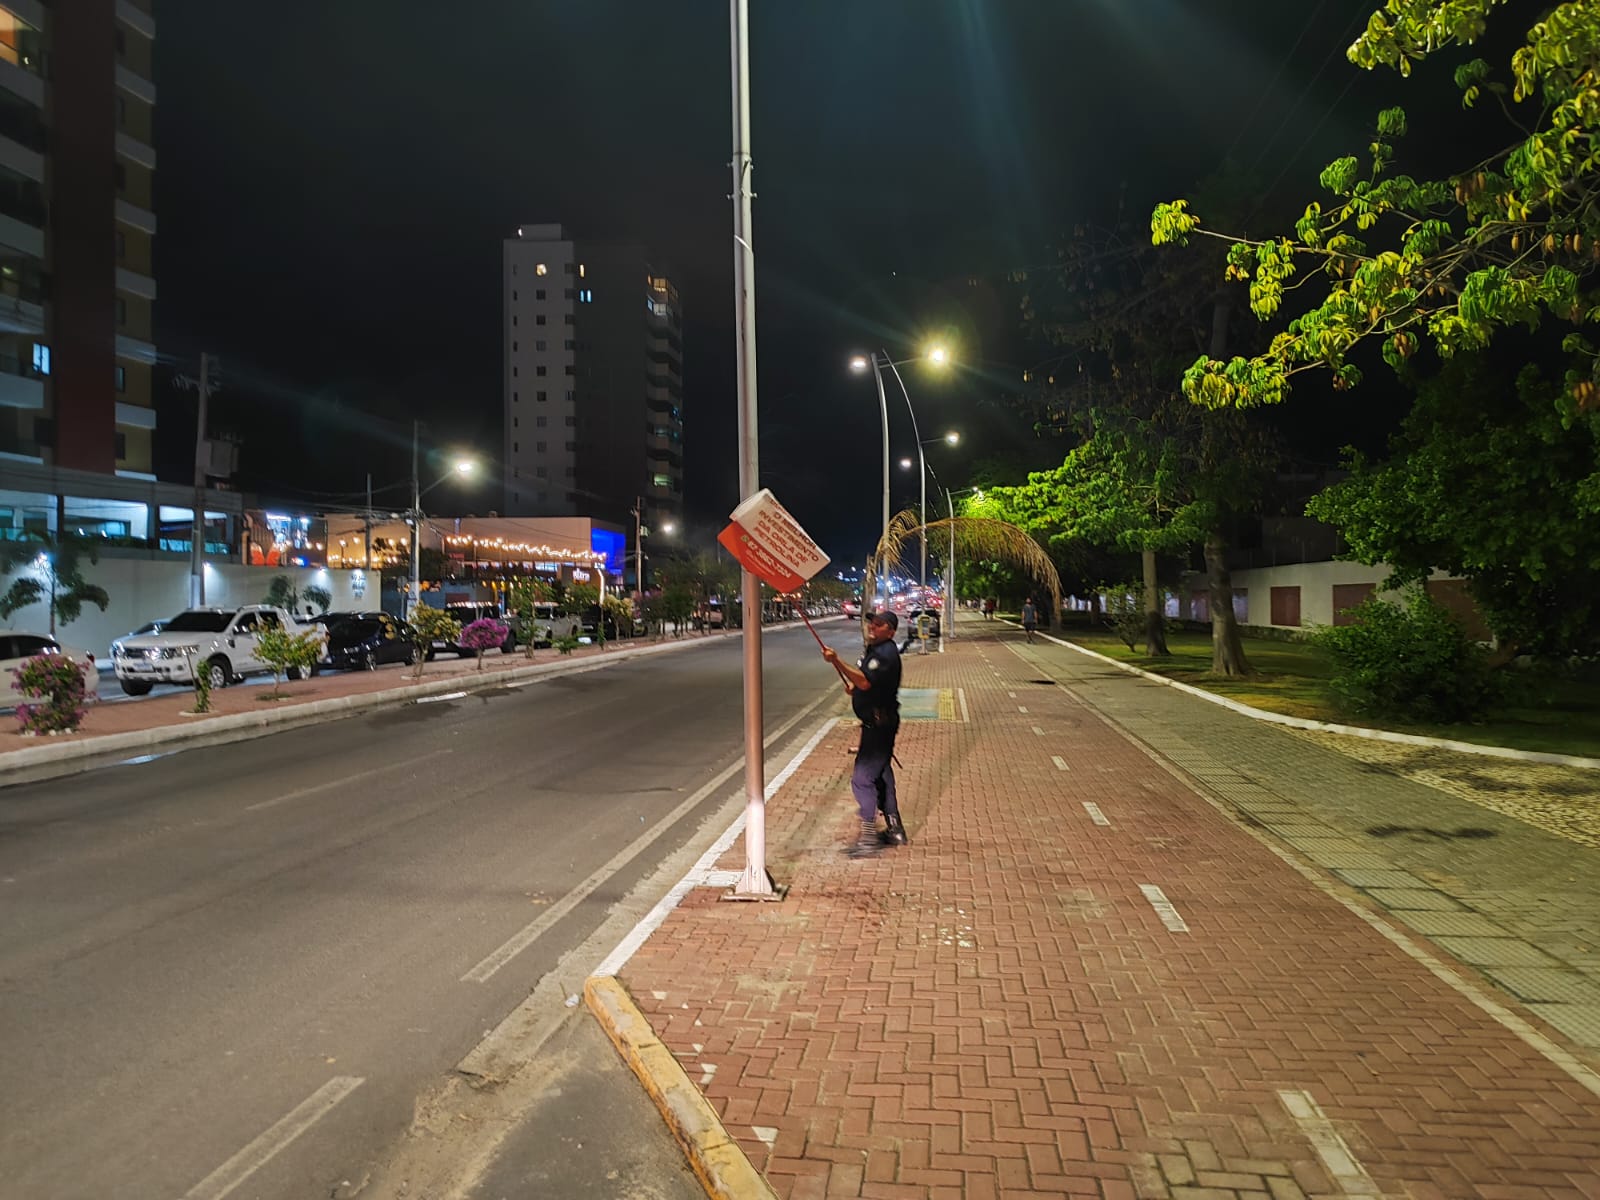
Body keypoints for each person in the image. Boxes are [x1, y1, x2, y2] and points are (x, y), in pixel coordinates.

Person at [821, 611, 906, 857]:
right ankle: (895, 830)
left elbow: (867, 681)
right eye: (871, 622)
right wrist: (856, 692)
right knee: (882, 777)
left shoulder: (886, 653)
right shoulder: (875, 650)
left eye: (879, 624)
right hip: (878, 723)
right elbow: (867, 685)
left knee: (862, 779)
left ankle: (869, 838)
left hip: (879, 727)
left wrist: (836, 661)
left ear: (890, 631)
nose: (872, 626)